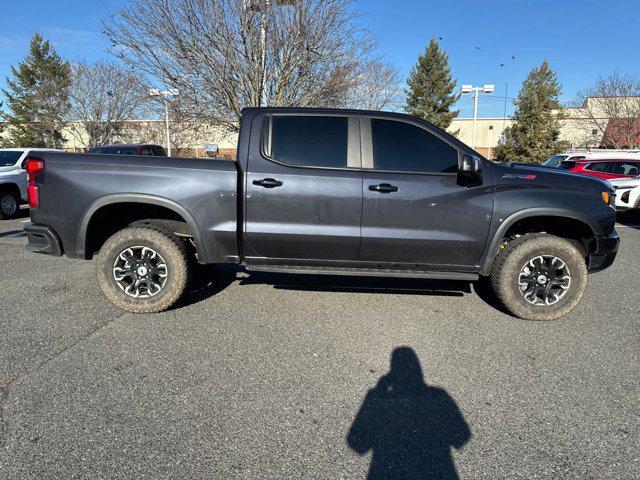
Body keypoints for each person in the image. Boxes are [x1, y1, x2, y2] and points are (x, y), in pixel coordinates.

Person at [347, 347, 471, 479]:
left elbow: (357, 443)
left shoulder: (381, 401)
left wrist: (376, 396)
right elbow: (461, 436)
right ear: (418, 370)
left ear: (392, 374)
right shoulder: (437, 397)